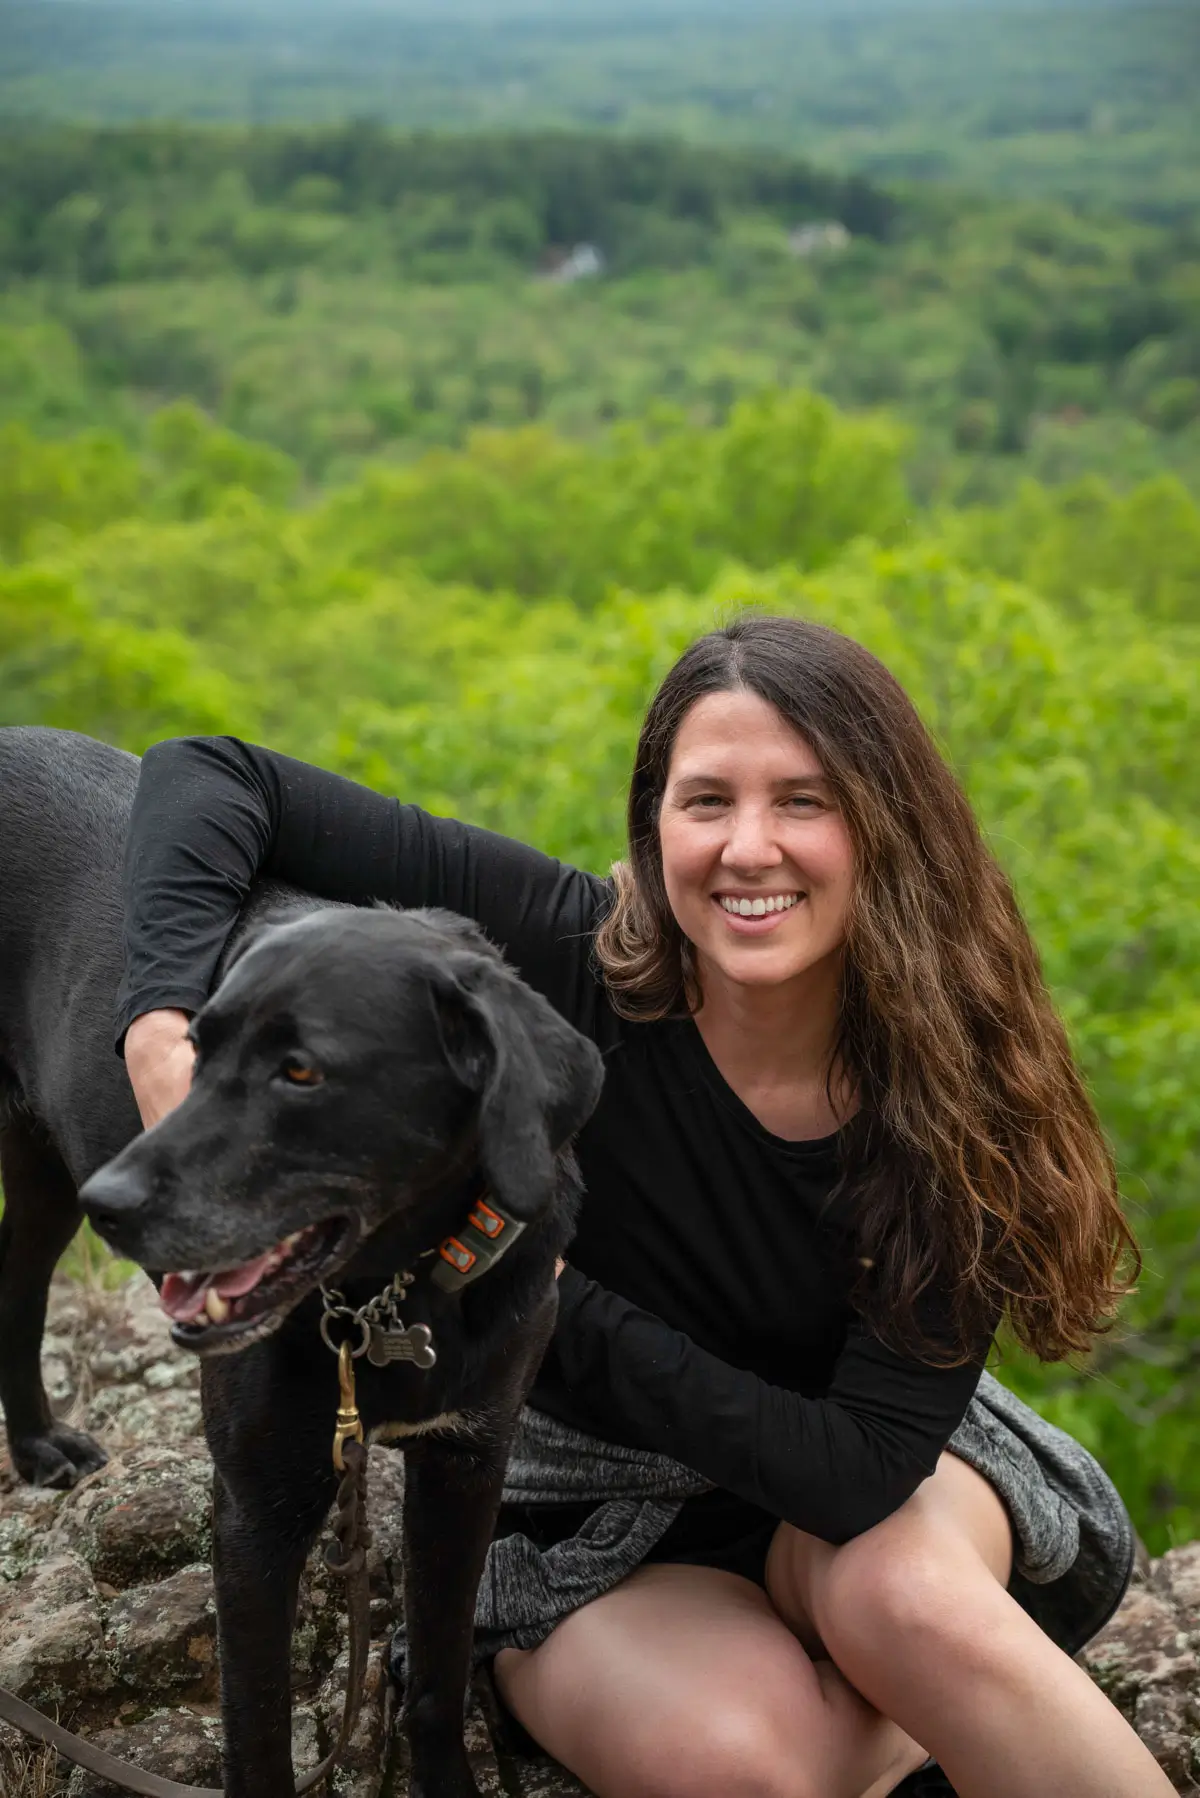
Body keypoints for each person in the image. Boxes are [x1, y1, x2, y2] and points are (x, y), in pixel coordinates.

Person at [116, 614, 1168, 1798]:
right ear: (652, 821)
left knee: (904, 1599)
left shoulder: (958, 1094)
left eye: (805, 802)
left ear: (888, 827)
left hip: (862, 1482)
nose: (748, 847)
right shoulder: (567, 950)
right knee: (751, 1765)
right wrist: (158, 1023)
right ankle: (908, 1737)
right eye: (705, 800)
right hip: (580, 1503)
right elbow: (213, 773)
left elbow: (859, 1472)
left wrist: (556, 1295)